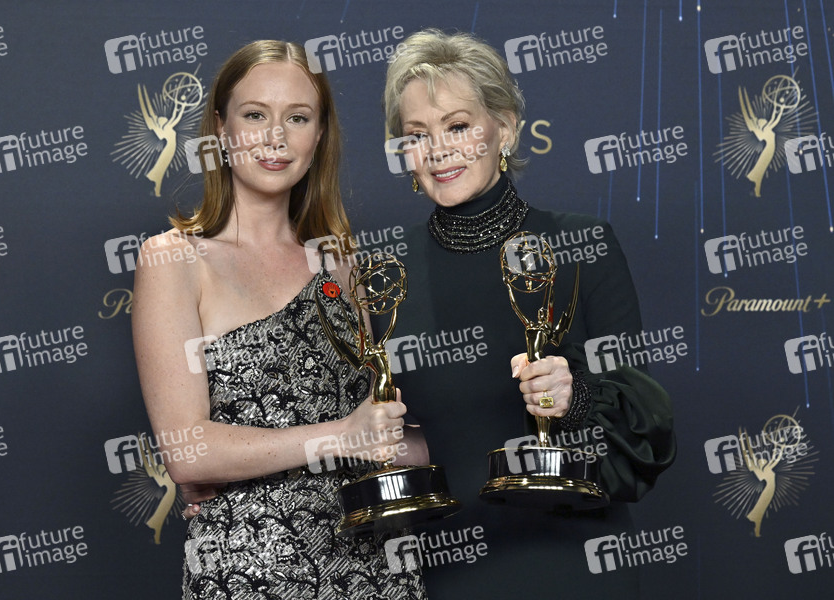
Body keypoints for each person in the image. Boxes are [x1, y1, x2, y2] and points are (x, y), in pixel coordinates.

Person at [375, 29, 676, 598]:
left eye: (458, 126)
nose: (438, 150)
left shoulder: (582, 245)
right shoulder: (385, 273)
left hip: (572, 566)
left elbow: (645, 433)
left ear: (506, 129)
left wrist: (575, 396)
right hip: (445, 572)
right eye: (417, 134)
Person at [131, 40, 426, 600]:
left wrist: (396, 436)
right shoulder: (175, 259)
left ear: (320, 135)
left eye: (297, 117)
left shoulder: (341, 261)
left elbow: (378, 429)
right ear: (220, 129)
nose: (275, 137)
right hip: (252, 572)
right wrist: (340, 436)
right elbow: (187, 452)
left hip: (374, 567)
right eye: (254, 115)